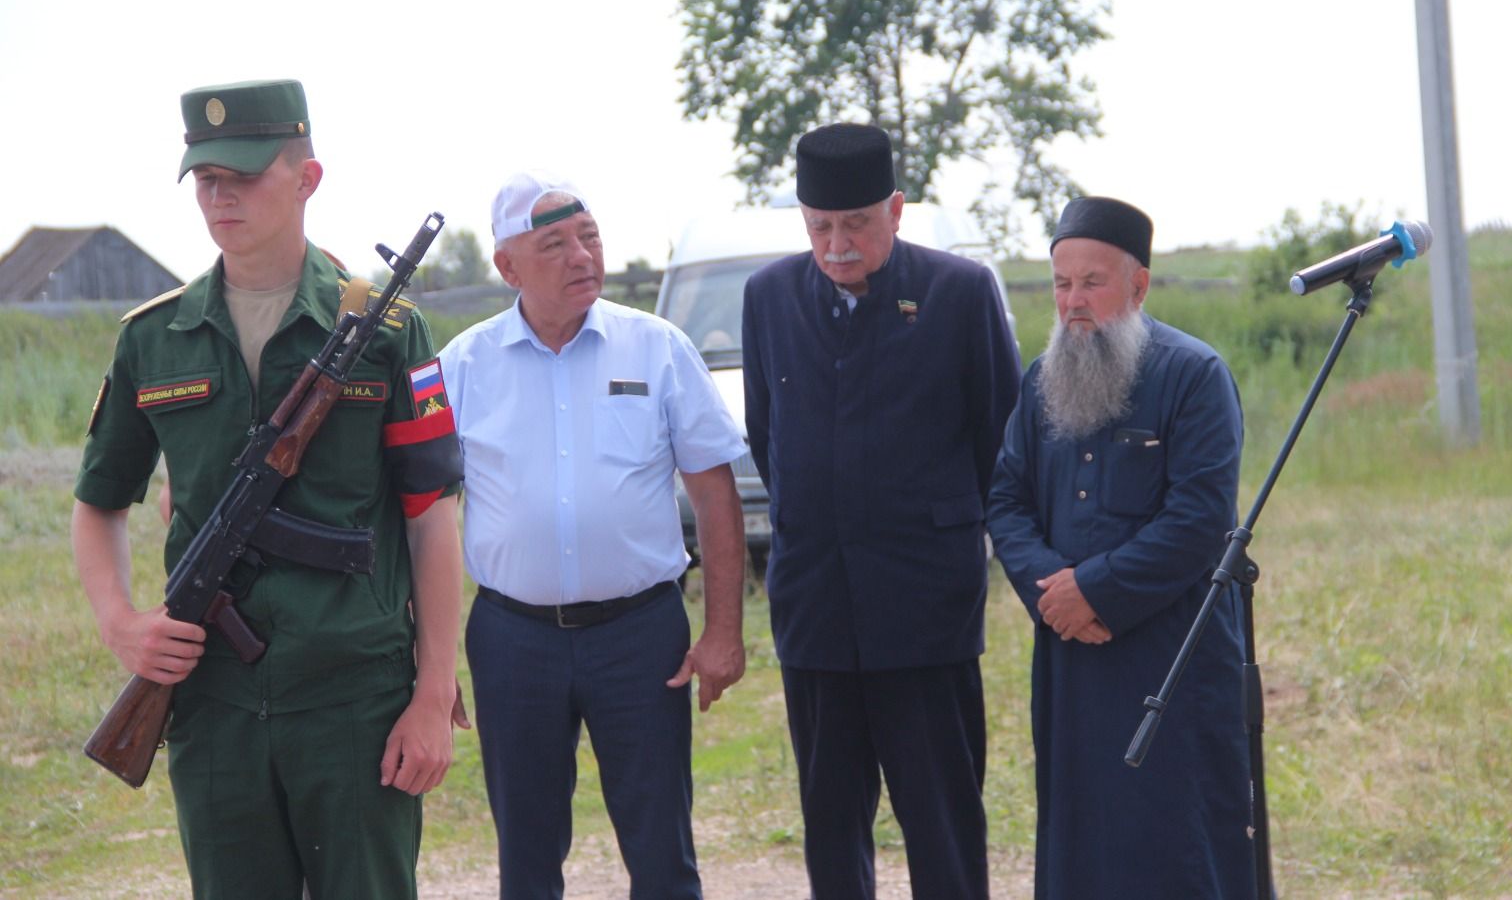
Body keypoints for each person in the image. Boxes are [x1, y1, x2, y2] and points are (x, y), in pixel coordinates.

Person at [72, 79, 466, 900]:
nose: (221, 197)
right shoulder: (155, 338)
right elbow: (100, 499)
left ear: (307, 178)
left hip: (355, 698)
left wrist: (434, 694)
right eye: (206, 179)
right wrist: (122, 624)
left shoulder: (387, 333)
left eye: (245, 176)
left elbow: (432, 515)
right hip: (211, 703)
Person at [438, 173, 748, 900]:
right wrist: (430, 660)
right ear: (507, 267)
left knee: (663, 850)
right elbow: (422, 517)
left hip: (641, 636)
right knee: (527, 854)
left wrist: (723, 631)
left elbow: (715, 496)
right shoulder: (462, 366)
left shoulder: (657, 348)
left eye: (591, 238)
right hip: (513, 639)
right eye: (555, 244)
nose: (582, 256)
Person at [741, 124, 1021, 899]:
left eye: (857, 223)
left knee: (943, 823)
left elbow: (1000, 443)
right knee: (831, 825)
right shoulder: (767, 298)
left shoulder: (959, 294)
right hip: (816, 610)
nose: (837, 243)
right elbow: (768, 438)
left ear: (896, 210)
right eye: (820, 226)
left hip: (926, 609)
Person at [986, 196, 1257, 899]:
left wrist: (1097, 590)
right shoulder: (1040, 380)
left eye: (1092, 282)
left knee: (1178, 840)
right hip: (1070, 652)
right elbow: (1007, 501)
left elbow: (1200, 518)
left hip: (1171, 654)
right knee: (1081, 838)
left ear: (1138, 286)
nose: (1073, 301)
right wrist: (1055, 592)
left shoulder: (1194, 376)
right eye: (1061, 284)